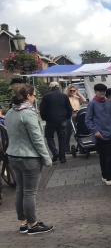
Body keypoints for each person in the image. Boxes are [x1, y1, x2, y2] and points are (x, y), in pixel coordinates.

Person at [5, 84, 54, 235]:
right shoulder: (29, 114)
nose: (35, 98)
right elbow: (37, 139)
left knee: (20, 190)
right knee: (30, 192)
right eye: (34, 95)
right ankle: (33, 224)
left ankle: (23, 223)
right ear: (28, 96)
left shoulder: (10, 113)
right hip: (29, 157)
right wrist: (47, 158)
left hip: (13, 155)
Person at [85, 84, 111, 186]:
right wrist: (95, 131)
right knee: (105, 156)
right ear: (95, 91)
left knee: (109, 156)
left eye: (104, 91)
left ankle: (107, 176)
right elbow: (88, 120)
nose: (102, 93)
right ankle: (108, 177)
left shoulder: (108, 102)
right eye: (100, 91)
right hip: (100, 135)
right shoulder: (92, 104)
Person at [40, 82, 73, 163]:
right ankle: (62, 157)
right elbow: (69, 108)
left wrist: (45, 118)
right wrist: (67, 117)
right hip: (62, 119)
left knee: (49, 136)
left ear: (50, 88)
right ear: (58, 87)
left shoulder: (46, 96)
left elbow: (42, 110)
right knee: (62, 138)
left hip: (50, 120)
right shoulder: (64, 96)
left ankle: (55, 152)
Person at [64, 84, 87, 154]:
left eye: (73, 90)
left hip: (78, 115)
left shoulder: (76, 97)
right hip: (71, 116)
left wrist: (78, 93)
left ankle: (81, 145)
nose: (72, 92)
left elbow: (84, 100)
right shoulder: (66, 98)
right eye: (71, 91)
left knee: (79, 131)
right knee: (69, 132)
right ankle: (66, 148)